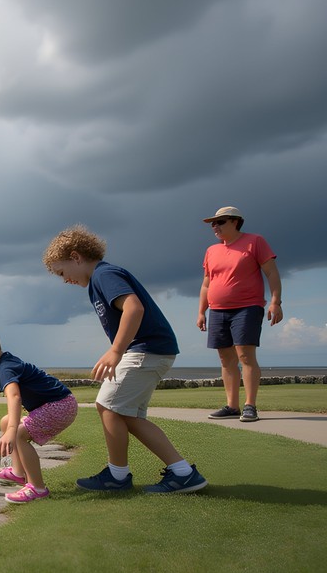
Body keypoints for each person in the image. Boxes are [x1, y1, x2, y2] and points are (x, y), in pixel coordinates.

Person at [42, 224, 207, 494]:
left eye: (62, 272)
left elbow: (134, 307)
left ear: (75, 257)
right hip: (153, 351)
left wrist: (116, 351)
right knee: (127, 416)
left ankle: (117, 476)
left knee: (107, 406)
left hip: (146, 350)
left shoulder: (104, 275)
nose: (65, 279)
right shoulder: (97, 281)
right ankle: (182, 472)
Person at [0, 325, 79, 503]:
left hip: (61, 405)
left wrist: (12, 430)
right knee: (5, 421)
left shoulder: (6, 367)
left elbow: (15, 396)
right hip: (60, 404)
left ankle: (38, 488)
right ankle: (18, 473)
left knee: (17, 433)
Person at [198, 206, 282, 423]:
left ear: (235, 221)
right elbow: (207, 284)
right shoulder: (211, 251)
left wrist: (275, 301)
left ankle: (249, 406)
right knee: (226, 360)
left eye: (220, 222)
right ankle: (232, 406)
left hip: (247, 307)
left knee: (245, 356)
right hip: (217, 310)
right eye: (213, 223)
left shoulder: (255, 241)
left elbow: (271, 272)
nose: (215, 226)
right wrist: (201, 311)